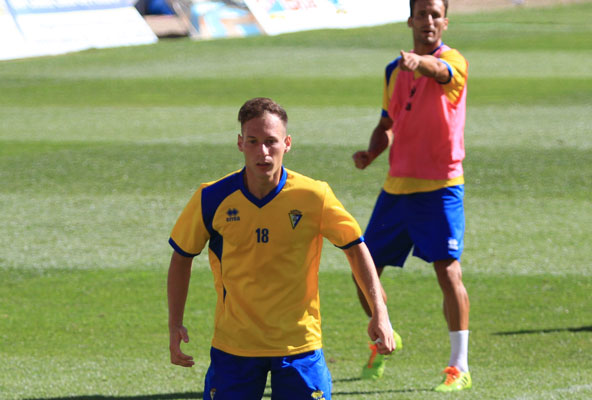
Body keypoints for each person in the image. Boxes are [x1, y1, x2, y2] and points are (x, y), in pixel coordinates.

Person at [168, 97, 396, 400]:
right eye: (253, 141)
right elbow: (181, 258)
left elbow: (355, 248)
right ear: (240, 143)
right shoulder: (212, 197)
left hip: (299, 346)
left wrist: (380, 313)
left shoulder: (314, 196)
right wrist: (174, 324)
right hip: (235, 346)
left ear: (287, 143)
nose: (263, 151)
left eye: (271, 142)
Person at [351, 0, 471, 392]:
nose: (429, 21)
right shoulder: (393, 70)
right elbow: (389, 122)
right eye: (423, 14)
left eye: (436, 14)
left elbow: (441, 72)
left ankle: (459, 367)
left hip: (441, 188)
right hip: (397, 188)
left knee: (448, 272)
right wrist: (372, 152)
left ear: (445, 22)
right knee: (361, 271)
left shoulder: (453, 63)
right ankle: (386, 329)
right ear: (411, 21)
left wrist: (420, 63)